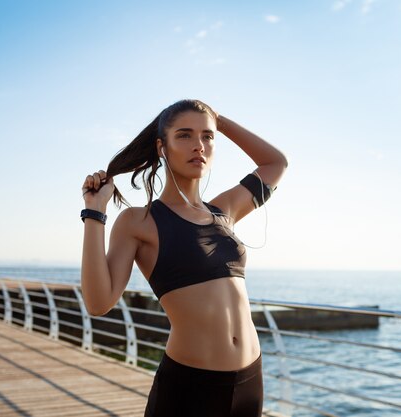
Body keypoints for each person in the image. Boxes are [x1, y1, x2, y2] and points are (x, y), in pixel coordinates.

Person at [80, 99, 288, 417]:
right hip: (191, 387)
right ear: (162, 147)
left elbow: (276, 163)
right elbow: (98, 303)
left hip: (249, 381)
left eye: (207, 136)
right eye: (185, 135)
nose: (199, 146)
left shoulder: (225, 210)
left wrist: (220, 121)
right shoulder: (140, 221)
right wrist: (94, 212)